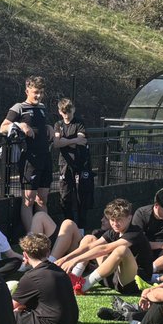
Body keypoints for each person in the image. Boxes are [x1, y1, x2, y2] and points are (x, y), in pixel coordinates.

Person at [57, 199, 153, 295]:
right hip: (112, 278)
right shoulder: (114, 231)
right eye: (112, 220)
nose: (115, 224)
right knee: (89, 238)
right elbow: (90, 246)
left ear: (129, 218)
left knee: (122, 250)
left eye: (119, 219)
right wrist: (66, 258)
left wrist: (75, 260)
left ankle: (84, 284)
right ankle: (74, 278)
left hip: (134, 282)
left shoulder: (135, 233)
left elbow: (105, 248)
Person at [0, 76, 54, 235]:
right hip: (29, 158)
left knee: (43, 198)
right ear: (27, 91)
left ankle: (46, 236)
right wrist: (20, 124)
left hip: (45, 156)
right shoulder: (19, 107)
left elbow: (43, 125)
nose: (39, 96)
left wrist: (50, 127)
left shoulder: (42, 107)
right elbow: (2, 128)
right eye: (36, 92)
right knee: (29, 199)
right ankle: (32, 237)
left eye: (42, 92)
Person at [12, 233, 78, 324]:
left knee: (5, 316)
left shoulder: (31, 277)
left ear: (25, 255)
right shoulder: (58, 270)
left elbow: (11, 306)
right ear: (48, 252)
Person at [53, 98, 93, 229]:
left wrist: (66, 140)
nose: (67, 114)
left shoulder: (79, 123)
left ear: (73, 110)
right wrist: (72, 140)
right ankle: (69, 227)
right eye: (64, 112)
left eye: (69, 111)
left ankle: (81, 229)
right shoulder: (58, 124)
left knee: (82, 196)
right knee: (65, 196)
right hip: (64, 165)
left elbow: (82, 140)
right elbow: (56, 143)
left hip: (80, 164)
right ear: (60, 112)